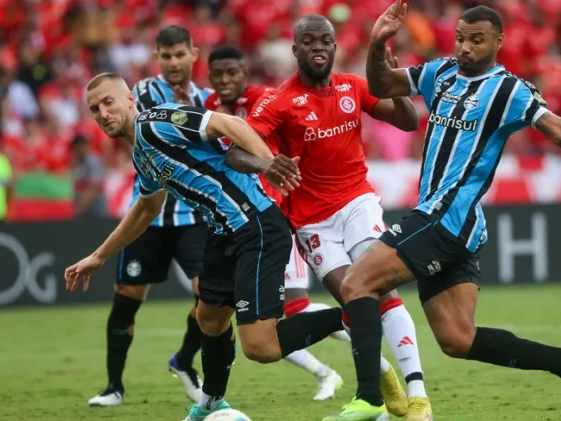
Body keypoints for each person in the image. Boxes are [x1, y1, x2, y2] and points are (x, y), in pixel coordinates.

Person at [325, 3, 561, 421]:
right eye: (461, 38)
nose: (465, 48)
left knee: (358, 282)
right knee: (457, 339)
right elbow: (382, 85)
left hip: (445, 219)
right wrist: (378, 44)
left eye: (477, 40)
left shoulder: (510, 90)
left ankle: (371, 399)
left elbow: (559, 129)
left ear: (498, 42)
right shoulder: (441, 72)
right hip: (458, 227)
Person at [68, 73, 347, 421]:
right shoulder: (142, 155)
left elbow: (228, 124)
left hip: (255, 225)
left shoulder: (156, 121)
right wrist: (98, 256)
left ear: (128, 99)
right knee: (209, 319)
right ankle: (212, 403)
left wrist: (267, 165)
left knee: (261, 348)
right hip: (223, 234)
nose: (103, 112)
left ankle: (352, 316)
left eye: (108, 102)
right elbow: (147, 209)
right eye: (95, 108)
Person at [226, 14, 432, 420]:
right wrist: (265, 165)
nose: (318, 47)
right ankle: (381, 377)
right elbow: (234, 151)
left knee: (376, 288)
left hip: (358, 203)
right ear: (295, 49)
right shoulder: (279, 101)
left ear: (335, 47)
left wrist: (393, 81)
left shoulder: (353, 87)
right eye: (309, 40)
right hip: (311, 221)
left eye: (326, 41)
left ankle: (418, 395)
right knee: (353, 301)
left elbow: (408, 122)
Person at [205, 44, 346, 401]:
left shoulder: (267, 100)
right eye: (218, 75)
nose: (225, 80)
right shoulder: (208, 111)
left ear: (245, 73)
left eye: (232, 73)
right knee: (262, 321)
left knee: (293, 307)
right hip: (243, 224)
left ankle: (362, 327)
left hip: (276, 217)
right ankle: (330, 367)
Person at [87, 25, 213, 407]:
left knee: (208, 298)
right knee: (126, 298)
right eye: (166, 55)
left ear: (194, 54)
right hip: (149, 217)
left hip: (193, 215)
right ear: (157, 57)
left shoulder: (210, 98)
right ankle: (113, 387)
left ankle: (185, 361)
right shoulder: (138, 93)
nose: (174, 62)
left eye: (180, 55)